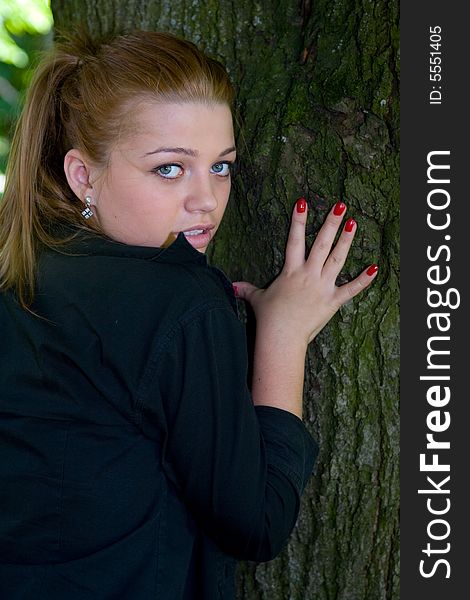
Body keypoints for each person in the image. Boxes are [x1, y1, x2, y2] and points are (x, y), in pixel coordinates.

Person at [0, 30, 378, 599]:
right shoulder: (182, 302)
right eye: (170, 169)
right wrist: (283, 334)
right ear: (83, 175)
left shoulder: (21, 271)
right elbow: (256, 524)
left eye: (221, 167)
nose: (207, 199)